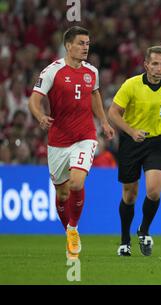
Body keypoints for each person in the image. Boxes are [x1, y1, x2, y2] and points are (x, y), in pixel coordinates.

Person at [28, 26, 115, 260]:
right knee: (63, 193)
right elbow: (34, 101)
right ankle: (68, 230)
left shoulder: (92, 72)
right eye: (81, 43)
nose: (85, 47)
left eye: (87, 43)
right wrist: (40, 117)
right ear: (68, 45)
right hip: (58, 139)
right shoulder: (52, 72)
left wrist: (104, 122)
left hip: (85, 136)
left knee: (77, 182)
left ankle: (74, 229)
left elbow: (95, 95)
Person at [108, 46, 161, 257]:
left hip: (156, 142)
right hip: (131, 143)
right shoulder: (131, 85)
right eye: (155, 64)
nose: (159, 68)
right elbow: (113, 112)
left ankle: (144, 230)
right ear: (146, 65)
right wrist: (131, 132)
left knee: (154, 191)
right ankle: (124, 240)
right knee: (129, 195)